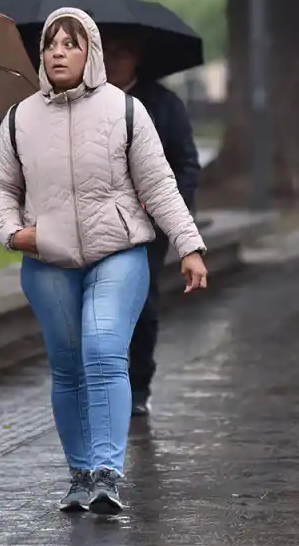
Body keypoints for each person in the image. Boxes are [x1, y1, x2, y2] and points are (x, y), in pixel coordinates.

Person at [0, 7, 208, 515]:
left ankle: (107, 472)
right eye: (51, 44)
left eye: (71, 43)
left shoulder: (125, 110)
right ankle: (80, 473)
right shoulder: (20, 118)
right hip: (48, 260)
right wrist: (12, 232)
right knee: (67, 368)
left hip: (119, 252)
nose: (59, 52)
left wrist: (190, 246)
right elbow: (0, 185)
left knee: (104, 351)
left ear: (92, 53)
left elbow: (160, 183)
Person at [103, 27, 201, 418]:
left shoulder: (163, 104)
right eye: (105, 50)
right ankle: (106, 381)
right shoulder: (84, 100)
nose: (112, 59)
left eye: (121, 51)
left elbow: (187, 163)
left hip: (147, 224)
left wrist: (172, 216)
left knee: (141, 304)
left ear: (137, 57)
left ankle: (139, 380)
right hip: (98, 223)